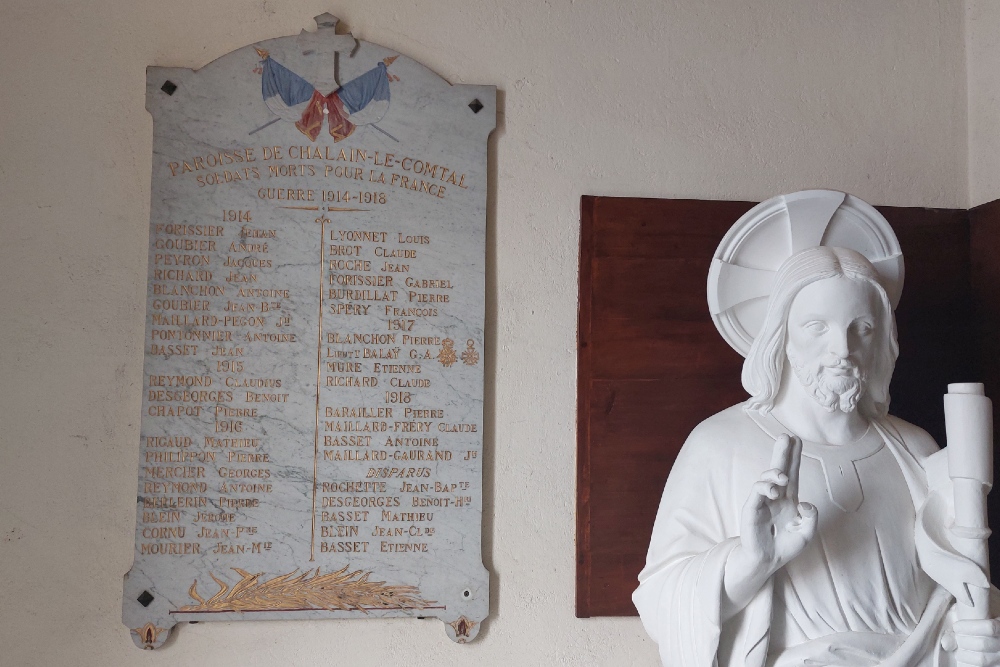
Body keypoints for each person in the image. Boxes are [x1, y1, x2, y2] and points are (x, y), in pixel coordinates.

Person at [633, 246, 1000, 667]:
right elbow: (663, 605)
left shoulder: (916, 450)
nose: (842, 349)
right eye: (816, 327)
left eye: (861, 327)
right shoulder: (720, 445)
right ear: (783, 335)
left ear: (881, 336)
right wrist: (753, 562)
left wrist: (977, 636)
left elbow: (959, 595)